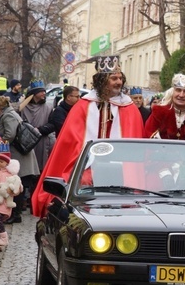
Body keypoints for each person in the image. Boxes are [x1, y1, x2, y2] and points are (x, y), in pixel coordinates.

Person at [31, 55, 145, 217]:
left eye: (120, 78)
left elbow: (135, 145)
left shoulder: (129, 108)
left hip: (122, 172)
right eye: (113, 78)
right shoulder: (83, 106)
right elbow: (71, 142)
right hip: (87, 170)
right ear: (101, 80)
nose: (118, 82)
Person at [0, 96, 40, 224]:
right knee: (17, 184)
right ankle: (15, 213)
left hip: (19, 155)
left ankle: (16, 214)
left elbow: (10, 134)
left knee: (17, 185)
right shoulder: (10, 113)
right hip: (20, 154)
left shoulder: (8, 116)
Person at [145, 74, 185, 141]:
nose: (181, 95)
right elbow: (149, 139)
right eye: (178, 90)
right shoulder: (158, 112)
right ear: (172, 92)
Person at [20, 79, 55, 172]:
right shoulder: (23, 107)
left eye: (44, 91)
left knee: (41, 167)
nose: (44, 93)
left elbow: (52, 124)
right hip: (26, 142)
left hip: (42, 141)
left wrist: (40, 130)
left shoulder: (48, 107)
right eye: (41, 91)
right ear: (34, 94)